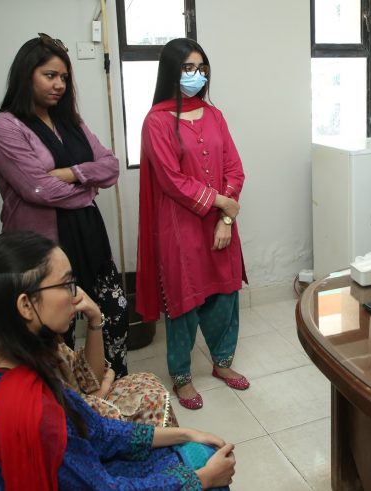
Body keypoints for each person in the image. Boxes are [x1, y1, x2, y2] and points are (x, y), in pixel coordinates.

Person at [0, 231, 235, 490]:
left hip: (89, 472)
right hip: (96, 480)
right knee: (206, 466)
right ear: (25, 305)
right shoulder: (28, 409)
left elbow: (96, 429)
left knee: (199, 449)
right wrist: (201, 480)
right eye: (67, 284)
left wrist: (185, 434)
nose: (76, 295)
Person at [0, 34, 128, 377]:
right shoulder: (5, 128)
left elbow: (110, 167)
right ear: (26, 75)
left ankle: (111, 387)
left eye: (64, 77)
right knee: (56, 335)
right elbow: (38, 189)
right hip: (43, 249)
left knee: (113, 315)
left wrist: (71, 172)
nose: (59, 84)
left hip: (89, 238)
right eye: (50, 75)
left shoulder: (71, 122)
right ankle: (69, 402)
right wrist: (87, 189)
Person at [137, 38, 248, 410]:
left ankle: (222, 362)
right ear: (172, 71)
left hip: (220, 223)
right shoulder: (156, 121)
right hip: (179, 227)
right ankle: (182, 376)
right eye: (188, 68)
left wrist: (226, 218)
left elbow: (234, 168)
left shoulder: (215, 115)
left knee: (225, 294)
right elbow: (171, 180)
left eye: (201, 68)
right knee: (184, 301)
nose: (196, 75)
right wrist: (223, 202)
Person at [56, 330, 178, 427]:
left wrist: (95, 320)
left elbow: (91, 379)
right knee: (154, 403)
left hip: (90, 404)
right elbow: (81, 410)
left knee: (149, 384)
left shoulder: (55, 345)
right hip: (85, 424)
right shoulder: (46, 365)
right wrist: (106, 383)